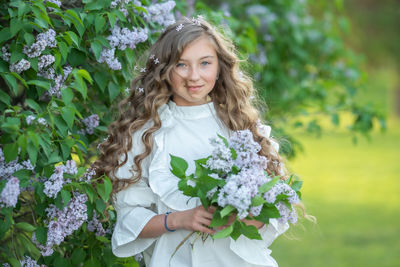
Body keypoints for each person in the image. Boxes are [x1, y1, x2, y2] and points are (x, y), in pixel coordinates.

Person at [95, 16, 290, 267]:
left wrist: (253, 218)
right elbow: (129, 218)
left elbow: (277, 205)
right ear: (165, 70)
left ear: (220, 66)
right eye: (181, 65)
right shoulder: (145, 133)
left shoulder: (241, 126)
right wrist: (178, 219)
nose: (194, 76)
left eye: (205, 63)